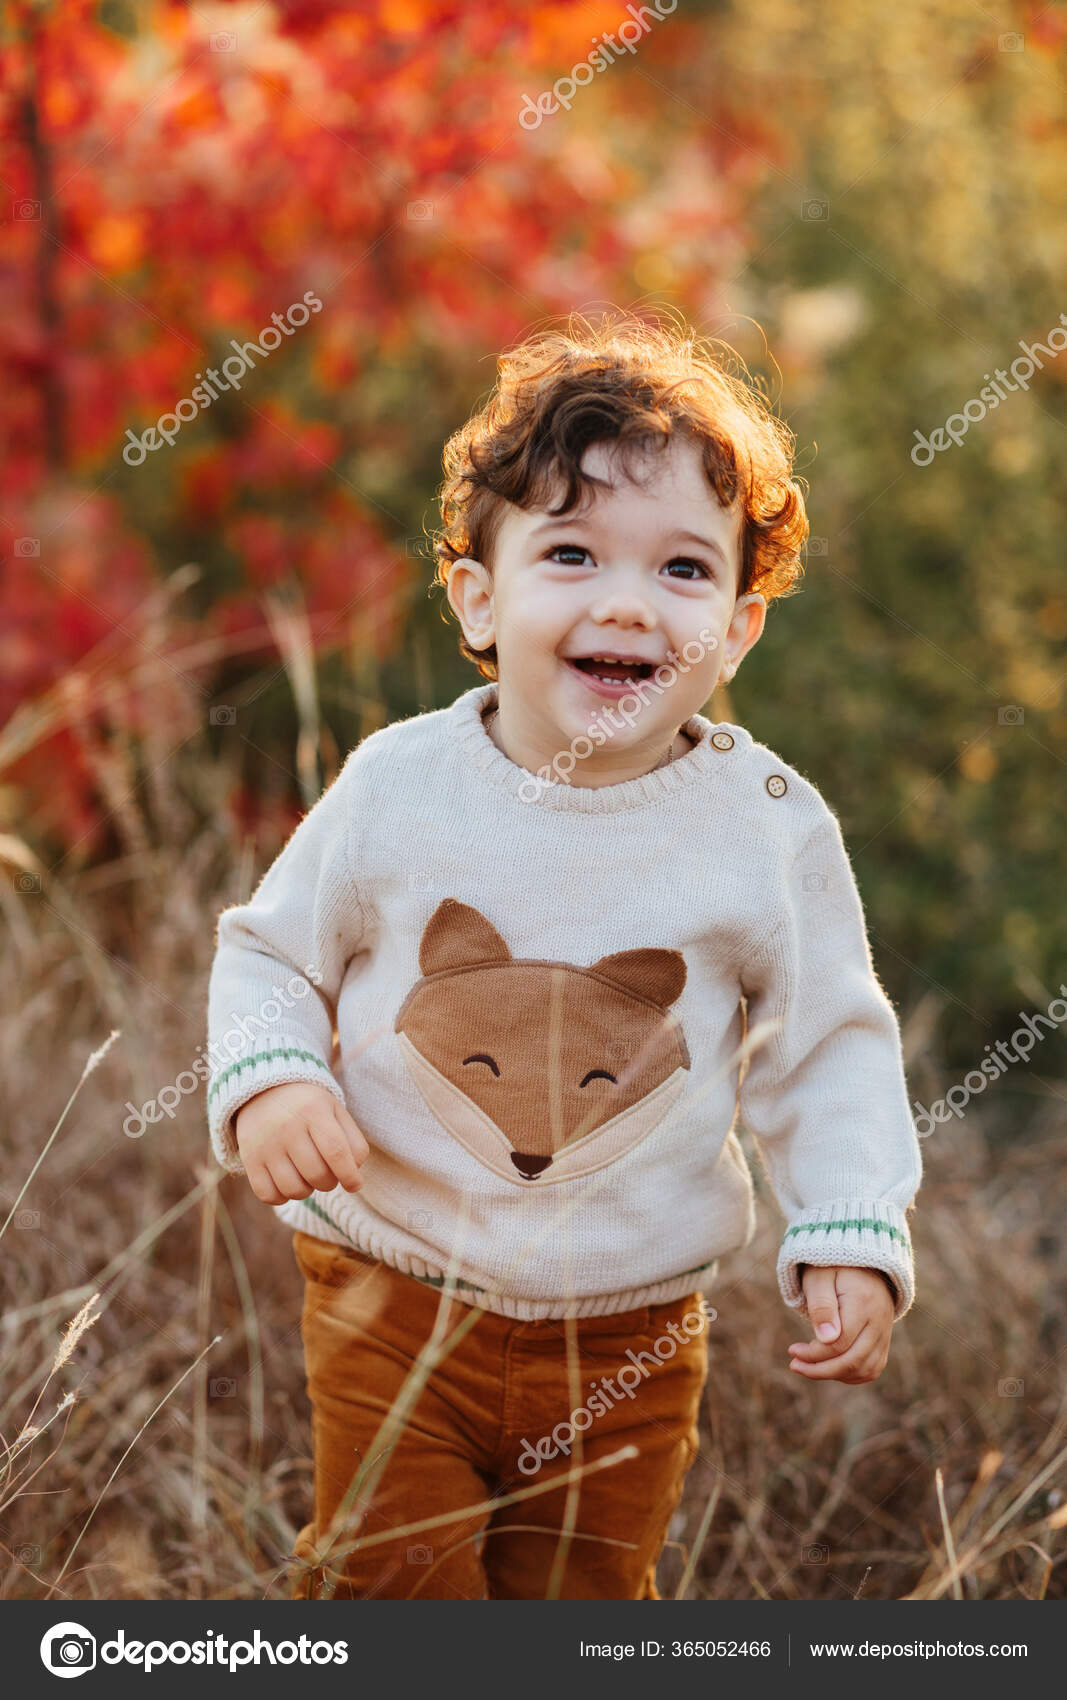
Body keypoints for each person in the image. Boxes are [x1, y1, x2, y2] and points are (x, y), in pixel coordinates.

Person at [205, 310, 922, 1600]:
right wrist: (274, 1081)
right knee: (397, 1589)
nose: (628, 603)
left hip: (634, 1337)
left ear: (742, 627)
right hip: (395, 1289)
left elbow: (830, 1045)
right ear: (480, 598)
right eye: (573, 552)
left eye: (684, 571)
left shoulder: (763, 825)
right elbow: (268, 956)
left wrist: (849, 1230)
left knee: (584, 1612)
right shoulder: (403, 785)